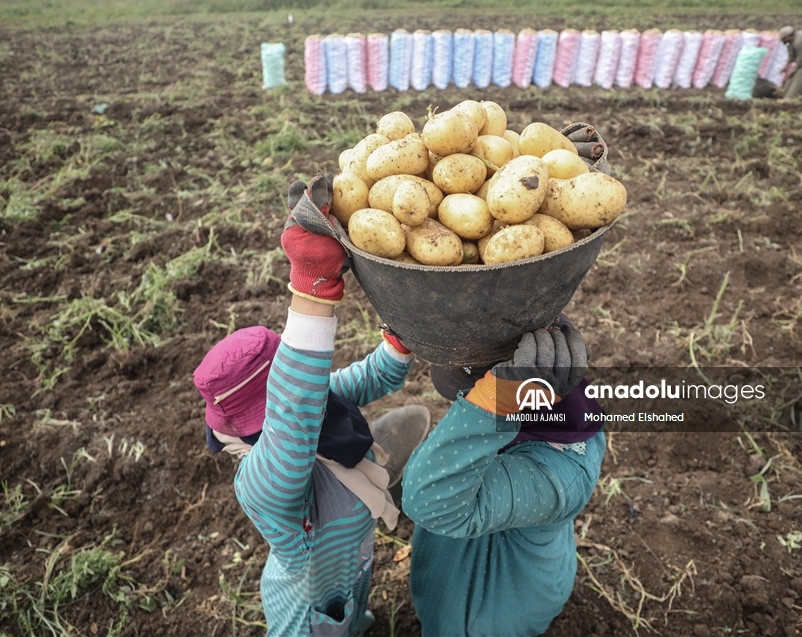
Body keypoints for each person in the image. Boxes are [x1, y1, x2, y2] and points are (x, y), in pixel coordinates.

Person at [193, 175, 430, 637]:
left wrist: (401, 337)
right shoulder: (264, 486)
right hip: (307, 611)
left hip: (352, 570)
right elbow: (295, 413)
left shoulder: (319, 404)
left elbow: (370, 376)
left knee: (353, 614)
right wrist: (311, 289)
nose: (311, 393)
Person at [402, 322, 607, 637]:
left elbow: (429, 501)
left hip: (489, 615)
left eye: (472, 394)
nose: (463, 402)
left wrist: (490, 401)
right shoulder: (545, 414)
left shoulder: (559, 471)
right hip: (459, 579)